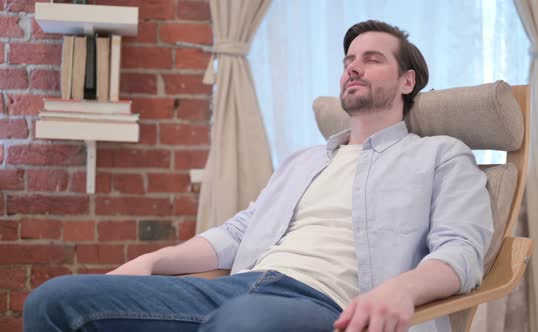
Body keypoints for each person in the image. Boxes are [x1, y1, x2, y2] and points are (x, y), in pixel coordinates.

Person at [24, 20, 492, 332]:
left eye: (372, 58)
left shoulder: (441, 156)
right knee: (54, 300)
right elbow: (238, 231)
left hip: (330, 305)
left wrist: (401, 289)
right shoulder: (304, 160)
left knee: (244, 321)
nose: (353, 65)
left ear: (407, 81)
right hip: (239, 287)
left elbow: (461, 250)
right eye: (349, 58)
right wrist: (153, 260)